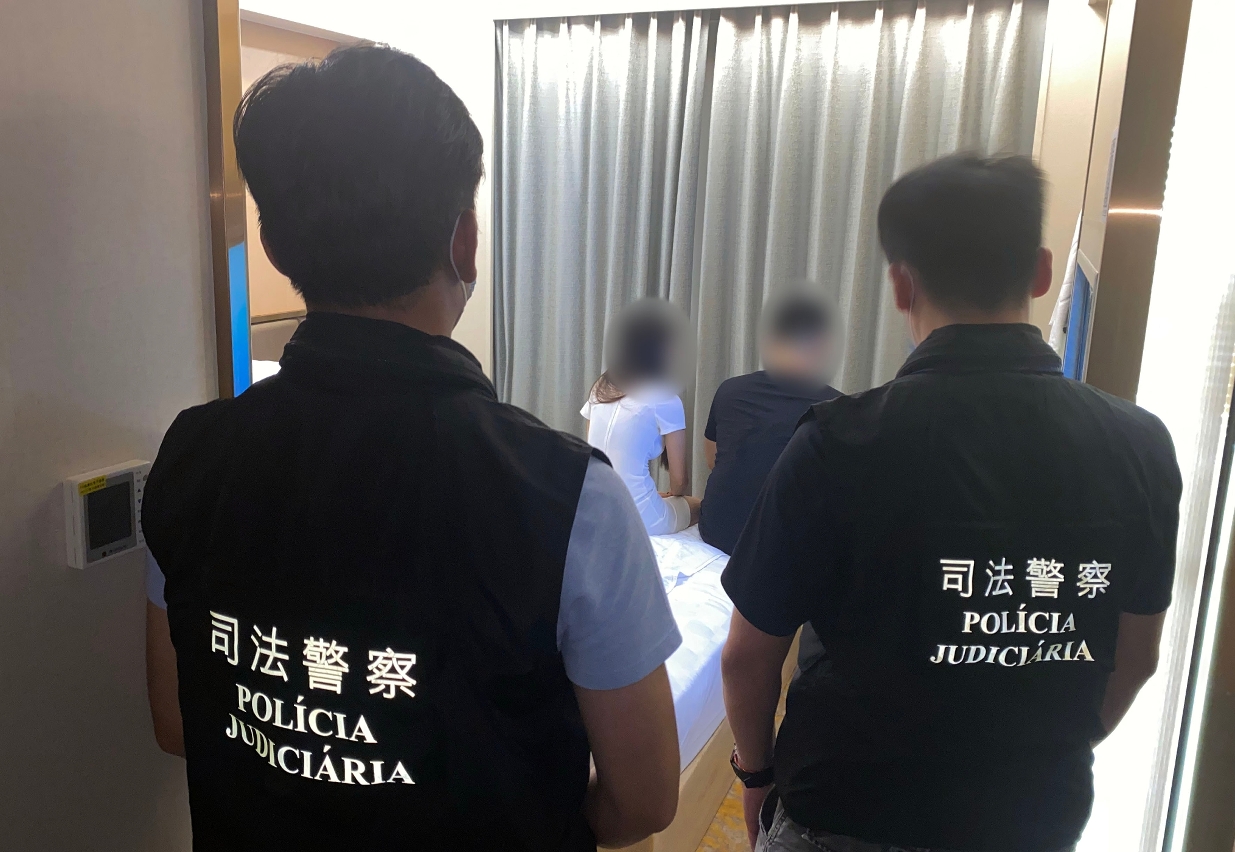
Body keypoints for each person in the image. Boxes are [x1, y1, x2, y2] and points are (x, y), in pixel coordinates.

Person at [143, 45, 681, 852]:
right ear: (464, 241)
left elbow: (178, 722)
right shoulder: (565, 493)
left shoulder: (191, 456)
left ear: (277, 249)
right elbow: (642, 801)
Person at [720, 154, 1182, 852]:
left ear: (901, 285)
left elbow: (747, 656)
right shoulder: (1139, 444)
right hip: (1030, 820)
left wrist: (754, 774)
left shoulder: (836, 442)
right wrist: (1037, 758)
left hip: (843, 810)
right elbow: (1135, 657)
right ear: (1041, 272)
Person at [699, 288, 841, 555]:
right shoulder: (839, 407)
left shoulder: (730, 390)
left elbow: (712, 460)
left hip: (718, 532)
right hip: (785, 546)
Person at [582, 299, 701, 535]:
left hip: (597, 508)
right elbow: (679, 482)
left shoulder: (602, 387)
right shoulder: (666, 397)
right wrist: (671, 495)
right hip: (640, 517)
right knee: (698, 504)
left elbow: (595, 452)